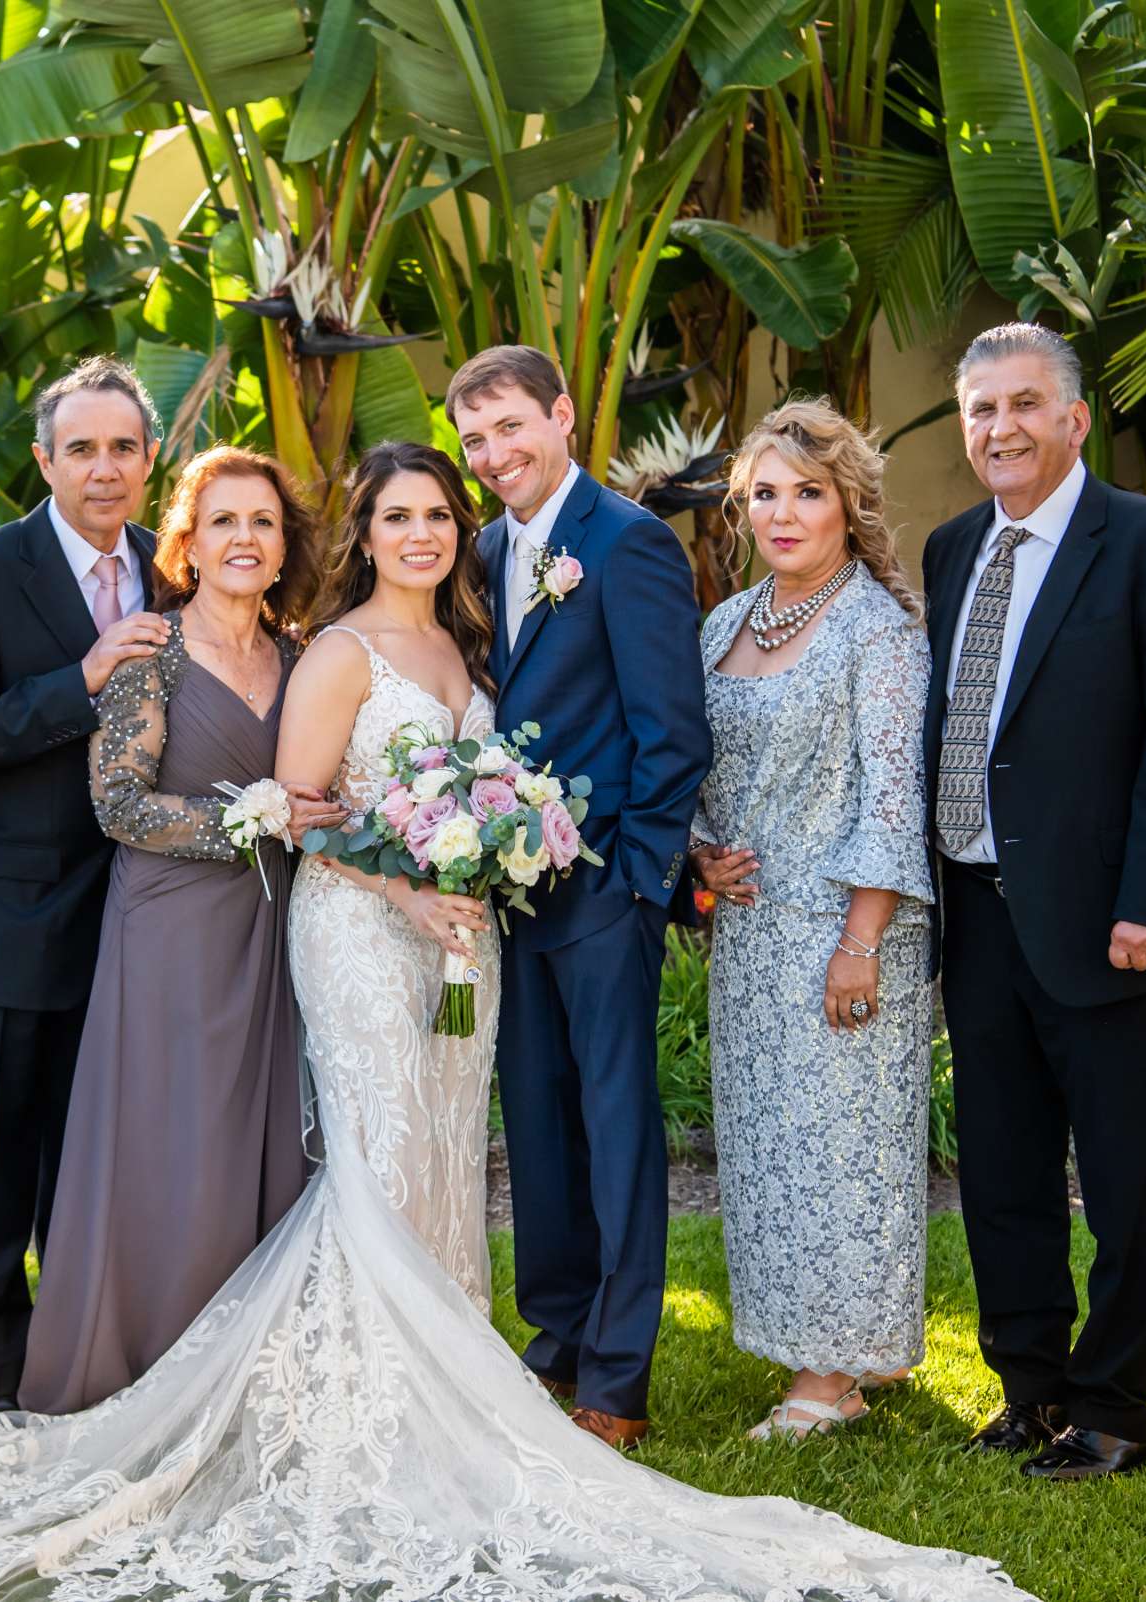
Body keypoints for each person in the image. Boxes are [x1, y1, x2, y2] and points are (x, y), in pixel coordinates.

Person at [0, 440, 1029, 1602]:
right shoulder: (297, 653)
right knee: (362, 1161)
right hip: (349, 937)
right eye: (396, 516)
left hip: (454, 937)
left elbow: (422, 789)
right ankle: (356, 1403)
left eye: (439, 514)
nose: (422, 534)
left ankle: (446, 1377)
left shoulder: (452, 650)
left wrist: (485, 860)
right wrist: (386, 869)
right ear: (350, 536)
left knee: (426, 1165)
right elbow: (268, 811)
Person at [924, 323, 1146, 1480]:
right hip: (975, 911)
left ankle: (1112, 1407)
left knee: (1121, 1178)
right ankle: (1031, 1388)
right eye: (980, 411)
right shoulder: (954, 549)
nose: (999, 429)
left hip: (1105, 918)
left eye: (1021, 406)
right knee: (1001, 1170)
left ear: (1074, 419)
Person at [17, 446, 316, 1414]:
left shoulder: (305, 655)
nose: (244, 538)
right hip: (172, 930)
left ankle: (252, 1371)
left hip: (276, 931)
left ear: (283, 546)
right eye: (223, 520)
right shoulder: (153, 653)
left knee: (262, 1132)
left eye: (263, 522)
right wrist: (257, 820)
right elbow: (119, 806)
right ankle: (147, 1362)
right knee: (174, 1133)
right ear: (188, 539)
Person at [451, 345, 708, 1449]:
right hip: (509, 898)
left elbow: (671, 732)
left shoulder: (629, 544)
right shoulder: (476, 551)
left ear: (560, 416)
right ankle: (554, 1337)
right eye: (475, 441)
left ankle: (617, 1372)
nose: (496, 455)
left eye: (512, 428)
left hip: (605, 896)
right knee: (540, 1129)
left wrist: (642, 886)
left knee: (614, 1132)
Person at [0, 356, 170, 1416]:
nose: (102, 470)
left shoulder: (180, 566)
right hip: (10, 923)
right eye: (81, 450)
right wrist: (84, 677)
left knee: (102, 1161)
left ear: (151, 459)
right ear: (43, 459)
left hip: (143, 920)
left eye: (122, 448)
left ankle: (84, 1359)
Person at [686, 401, 934, 1441]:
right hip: (751, 934)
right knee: (771, 1149)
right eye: (766, 494)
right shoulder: (724, 621)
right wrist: (703, 851)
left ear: (850, 503)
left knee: (846, 1150)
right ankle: (817, 1352)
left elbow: (892, 798)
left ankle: (831, 1377)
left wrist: (861, 941)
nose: (783, 514)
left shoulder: (879, 631)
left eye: (809, 493)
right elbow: (703, 769)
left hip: (845, 933)